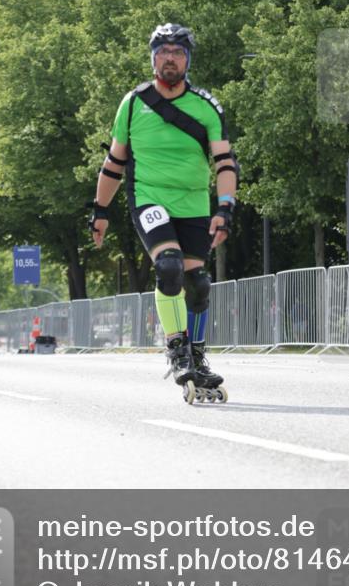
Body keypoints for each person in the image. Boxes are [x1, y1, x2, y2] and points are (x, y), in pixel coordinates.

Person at [89, 23, 238, 396]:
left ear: (188, 59)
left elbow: (225, 163)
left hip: (193, 204)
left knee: (198, 285)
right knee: (168, 266)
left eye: (177, 51)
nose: (170, 58)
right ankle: (177, 350)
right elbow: (113, 163)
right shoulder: (134, 103)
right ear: (153, 57)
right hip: (150, 199)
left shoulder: (206, 106)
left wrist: (225, 209)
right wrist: (100, 211)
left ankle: (198, 355)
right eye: (163, 51)